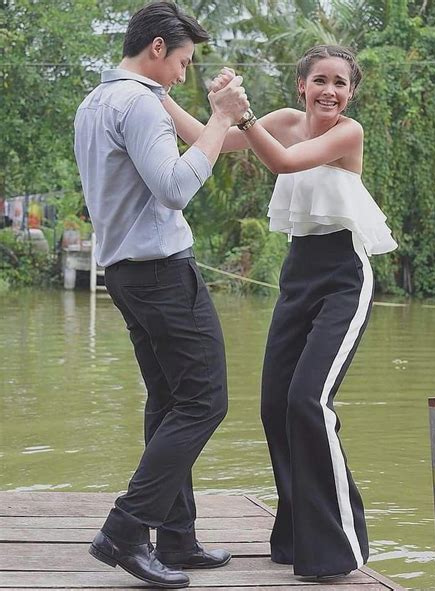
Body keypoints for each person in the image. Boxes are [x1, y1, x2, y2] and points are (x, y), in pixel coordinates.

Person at [164, 45, 397, 582]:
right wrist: (166, 96)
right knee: (275, 406)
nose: (330, 91)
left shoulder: (349, 133)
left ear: (351, 93)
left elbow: (285, 162)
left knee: (308, 401)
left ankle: (340, 547)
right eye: (321, 80)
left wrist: (243, 114)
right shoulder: (285, 121)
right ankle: (297, 537)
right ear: (302, 86)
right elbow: (210, 139)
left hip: (344, 279)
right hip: (297, 278)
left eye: (340, 83)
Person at [74, 2, 249, 588]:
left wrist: (222, 118)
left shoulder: (96, 102)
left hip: (126, 275)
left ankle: (176, 537)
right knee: (205, 402)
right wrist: (221, 117)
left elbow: (197, 153)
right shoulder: (140, 103)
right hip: (161, 275)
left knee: (170, 401)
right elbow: (175, 188)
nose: (183, 73)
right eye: (183, 61)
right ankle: (126, 530)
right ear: (157, 48)